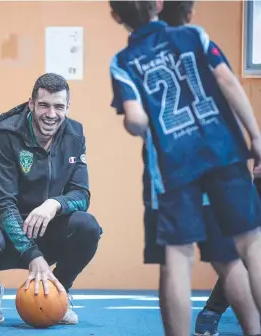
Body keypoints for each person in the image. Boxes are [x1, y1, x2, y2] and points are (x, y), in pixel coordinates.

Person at [109, 2, 261, 335]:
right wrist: (256, 136)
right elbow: (229, 82)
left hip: (174, 169)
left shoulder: (123, 61)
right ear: (159, 5)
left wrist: (138, 123)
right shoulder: (194, 35)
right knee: (243, 249)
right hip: (223, 155)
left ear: (116, 16)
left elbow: (136, 118)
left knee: (176, 259)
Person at [0, 73, 102, 325]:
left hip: (48, 228)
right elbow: (2, 203)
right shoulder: (5, 134)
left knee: (87, 227)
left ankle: (61, 290)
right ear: (31, 104)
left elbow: (81, 194)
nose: (51, 114)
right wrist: (33, 255)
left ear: (67, 107)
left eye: (59, 106)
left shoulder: (75, 134)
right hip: (4, 230)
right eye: (44, 105)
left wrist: (53, 204)